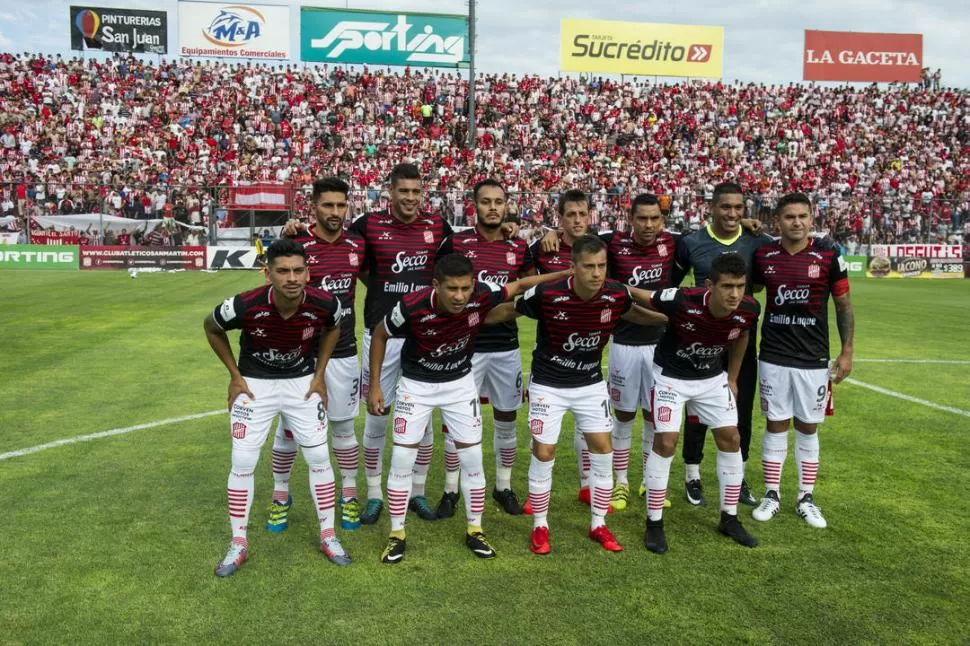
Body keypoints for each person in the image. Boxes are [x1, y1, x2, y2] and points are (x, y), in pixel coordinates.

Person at [366, 254, 566, 563]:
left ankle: (475, 529)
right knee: (403, 457)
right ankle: (397, 534)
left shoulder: (482, 293)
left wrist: (567, 272)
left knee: (472, 457)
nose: (459, 296)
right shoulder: (412, 305)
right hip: (416, 386)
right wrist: (376, 385)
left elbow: (521, 284)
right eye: (451, 289)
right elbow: (380, 334)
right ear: (436, 285)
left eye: (465, 288)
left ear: (473, 284)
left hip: (459, 384)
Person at [503, 235, 666, 554]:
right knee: (545, 451)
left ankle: (598, 523)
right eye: (588, 266)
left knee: (603, 449)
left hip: (590, 385)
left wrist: (669, 320)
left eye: (601, 266)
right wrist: (474, 319)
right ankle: (540, 525)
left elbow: (632, 313)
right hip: (548, 385)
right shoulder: (548, 293)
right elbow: (512, 310)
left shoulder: (616, 294)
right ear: (573, 268)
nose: (596, 273)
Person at [203, 239, 349, 576]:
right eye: (283, 271)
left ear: (308, 272)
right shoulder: (245, 304)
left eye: (298, 270)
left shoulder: (326, 303)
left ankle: (329, 535)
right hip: (255, 385)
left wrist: (321, 373)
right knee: (242, 460)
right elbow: (210, 327)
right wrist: (235, 376)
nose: (292, 277)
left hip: (301, 382)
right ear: (267, 273)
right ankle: (238, 543)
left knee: (318, 457)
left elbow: (333, 328)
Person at [347, 163, 457, 525]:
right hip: (381, 333)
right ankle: (376, 494)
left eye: (415, 192)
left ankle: (418, 492)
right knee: (377, 416)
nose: (410, 198)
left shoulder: (437, 226)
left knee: (422, 423)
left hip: (423, 333)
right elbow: (351, 260)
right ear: (390, 192)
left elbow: (456, 263)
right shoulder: (368, 225)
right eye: (403, 191)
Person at [639, 253, 762, 553]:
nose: (735, 294)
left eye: (740, 286)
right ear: (710, 285)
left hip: (711, 378)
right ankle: (654, 524)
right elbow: (641, 295)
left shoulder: (749, 308)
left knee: (732, 438)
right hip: (671, 377)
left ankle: (729, 518)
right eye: (728, 286)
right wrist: (610, 288)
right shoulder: (682, 300)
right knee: (666, 443)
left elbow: (742, 335)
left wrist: (732, 377)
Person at [265, 178, 367, 534]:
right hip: (298, 354)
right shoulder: (296, 242)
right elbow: (274, 287)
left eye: (341, 205)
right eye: (328, 205)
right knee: (289, 430)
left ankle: (349, 494)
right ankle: (280, 496)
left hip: (342, 352)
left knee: (342, 427)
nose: (336, 212)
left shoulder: (357, 243)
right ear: (313, 206)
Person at [750, 193, 854, 529]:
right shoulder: (764, 254)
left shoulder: (828, 254)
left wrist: (847, 351)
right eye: (789, 217)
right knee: (776, 422)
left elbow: (843, 306)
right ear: (777, 221)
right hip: (774, 356)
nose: (796, 222)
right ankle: (772, 493)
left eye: (802, 216)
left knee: (808, 426)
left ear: (812, 219)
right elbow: (748, 291)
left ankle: (806, 497)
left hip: (813, 357)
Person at [434, 179, 534, 518]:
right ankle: (450, 489)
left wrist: (486, 314)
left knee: (507, 419)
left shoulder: (519, 247)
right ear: (473, 206)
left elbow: (527, 294)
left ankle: (503, 486)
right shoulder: (457, 243)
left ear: (507, 206)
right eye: (486, 202)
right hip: (465, 350)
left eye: (499, 202)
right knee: (455, 423)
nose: (493, 208)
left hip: (505, 348)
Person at [674, 182, 773, 508]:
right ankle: (693, 474)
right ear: (712, 208)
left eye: (738, 208)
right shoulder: (691, 242)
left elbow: (759, 282)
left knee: (741, 411)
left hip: (742, 342)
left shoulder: (756, 241)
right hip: (700, 344)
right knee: (697, 413)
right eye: (726, 207)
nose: (732, 214)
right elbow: (674, 290)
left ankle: (739, 477)